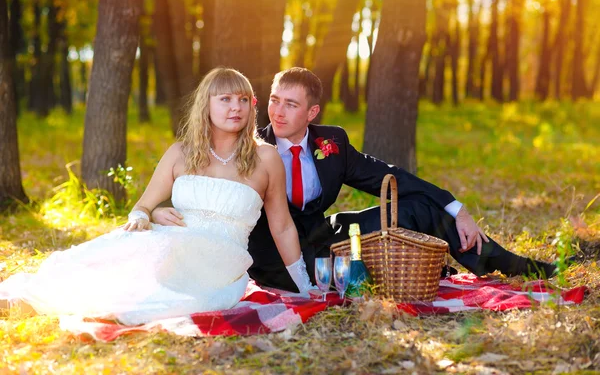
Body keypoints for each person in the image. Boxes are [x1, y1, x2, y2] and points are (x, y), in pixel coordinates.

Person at [153, 67, 558, 292]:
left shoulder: (332, 144)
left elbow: (390, 176)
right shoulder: (250, 146)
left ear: (312, 113)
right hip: (273, 252)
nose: (277, 112)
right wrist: (156, 210)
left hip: (324, 231)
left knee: (416, 206)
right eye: (274, 100)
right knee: (339, 277)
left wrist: (458, 207)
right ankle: (414, 272)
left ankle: (512, 266)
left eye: (291, 104)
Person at [0, 68, 314, 324]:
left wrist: (304, 286)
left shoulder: (266, 158)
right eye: (226, 99)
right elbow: (142, 206)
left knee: (149, 286)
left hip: (222, 262)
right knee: (114, 254)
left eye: (243, 99)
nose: (236, 107)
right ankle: (30, 298)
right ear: (206, 104)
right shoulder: (181, 153)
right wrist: (146, 216)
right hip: (173, 243)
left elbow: (282, 227)